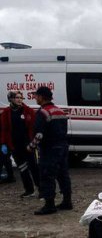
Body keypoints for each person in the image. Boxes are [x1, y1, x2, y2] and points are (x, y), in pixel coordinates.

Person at [28, 86, 72, 215]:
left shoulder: (43, 112)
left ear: (41, 97)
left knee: (47, 175)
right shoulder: (59, 111)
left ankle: (49, 205)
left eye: (36, 96)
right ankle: (67, 201)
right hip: (62, 147)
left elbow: (39, 135)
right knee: (63, 175)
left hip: (49, 149)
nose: (35, 98)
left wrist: (31, 146)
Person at [0, 91, 40, 196]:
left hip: (28, 145)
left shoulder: (28, 111)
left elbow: (34, 127)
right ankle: (29, 190)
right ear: (11, 99)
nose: (19, 99)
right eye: (16, 97)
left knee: (34, 167)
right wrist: (3, 143)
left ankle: (41, 190)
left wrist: (34, 142)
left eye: (20, 97)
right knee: (22, 168)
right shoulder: (6, 113)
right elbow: (4, 129)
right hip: (14, 145)